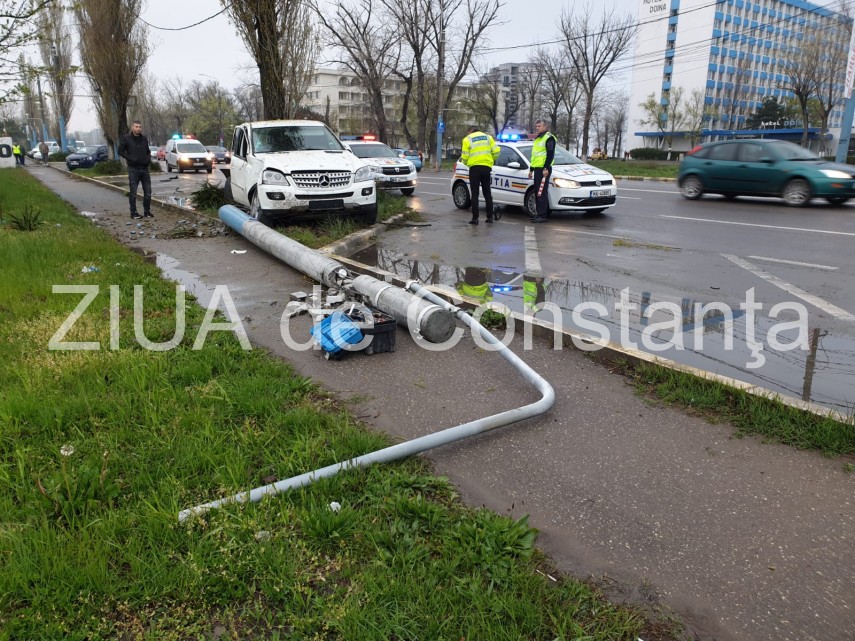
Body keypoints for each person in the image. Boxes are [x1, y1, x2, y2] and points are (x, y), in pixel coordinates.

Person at [460, 125, 500, 225]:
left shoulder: (467, 139)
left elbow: (464, 156)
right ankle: (490, 217)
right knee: (487, 193)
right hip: (486, 168)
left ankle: (475, 218)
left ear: (470, 132)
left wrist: (467, 163)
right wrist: (491, 160)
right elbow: (496, 151)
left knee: (475, 194)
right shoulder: (488, 137)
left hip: (474, 168)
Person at [118, 120, 153, 219]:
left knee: (148, 192)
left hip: (145, 169)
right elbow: (120, 151)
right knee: (133, 192)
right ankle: (133, 212)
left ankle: (147, 211)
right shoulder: (126, 138)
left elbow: (147, 151)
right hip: (133, 169)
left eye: (140, 127)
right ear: (133, 127)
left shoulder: (144, 139)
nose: (138, 129)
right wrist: (130, 158)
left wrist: (148, 159)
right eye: (136, 127)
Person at [528, 118, 556, 223]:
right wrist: (531, 169)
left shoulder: (549, 138)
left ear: (545, 127)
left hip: (544, 169)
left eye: (539, 126)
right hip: (537, 169)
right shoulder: (538, 139)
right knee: (537, 192)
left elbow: (550, 154)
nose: (537, 128)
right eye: (536, 126)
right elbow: (534, 156)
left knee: (541, 192)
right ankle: (538, 214)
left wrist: (546, 168)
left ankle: (542, 215)